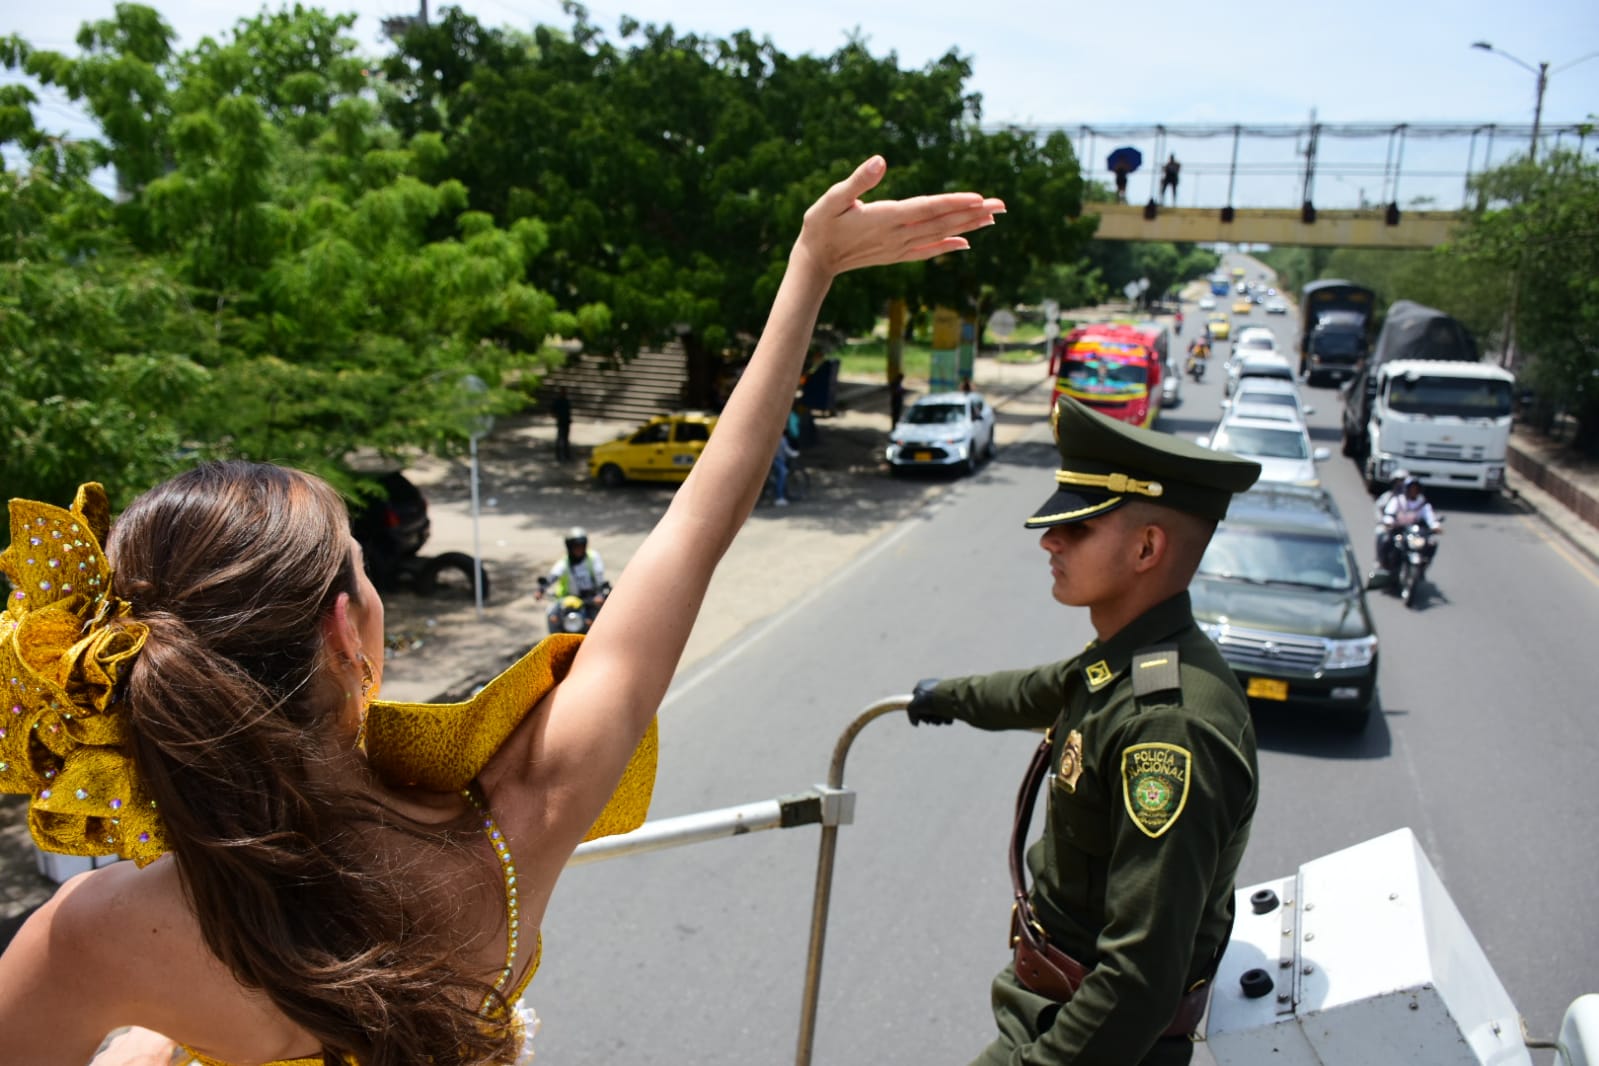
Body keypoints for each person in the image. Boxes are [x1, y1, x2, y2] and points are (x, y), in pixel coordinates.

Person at [0, 156, 1005, 1066]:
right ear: (347, 632)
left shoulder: (97, 934)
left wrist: (146, 1043)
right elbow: (698, 527)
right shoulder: (506, 837)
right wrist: (809, 267)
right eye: (361, 565)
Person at [905, 395, 1262, 1066]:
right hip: (1047, 1003)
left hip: (1081, 1037)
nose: (1050, 539)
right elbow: (1043, 688)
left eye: (1078, 528)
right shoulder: (1133, 660)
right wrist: (940, 697)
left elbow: (1137, 982)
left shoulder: (1168, 728)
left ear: (1146, 547)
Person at [535, 526, 607, 631]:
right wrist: (540, 589)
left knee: (604, 621)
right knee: (551, 614)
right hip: (568, 599)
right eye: (575, 546)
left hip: (591, 599)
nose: (579, 549)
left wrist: (600, 595)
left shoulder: (593, 557)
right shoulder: (564, 563)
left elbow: (600, 578)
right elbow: (552, 577)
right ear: (569, 547)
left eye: (581, 545)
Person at [1378, 475, 1441, 573]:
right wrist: (1388, 522)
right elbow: (1389, 513)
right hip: (1398, 530)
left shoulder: (1422, 503)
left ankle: (1423, 566)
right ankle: (1384, 565)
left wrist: (1435, 526)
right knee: (1385, 540)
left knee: (1431, 543)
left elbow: (1430, 517)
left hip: (1415, 533)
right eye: (1411, 488)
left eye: (1416, 489)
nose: (1413, 491)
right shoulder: (1398, 500)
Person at [551, 386, 573, 461]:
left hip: (566, 423)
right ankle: (559, 455)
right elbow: (552, 411)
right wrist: (557, 417)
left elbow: (568, 412)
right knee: (560, 440)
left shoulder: (566, 401)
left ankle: (566, 455)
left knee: (565, 440)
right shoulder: (558, 401)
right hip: (561, 423)